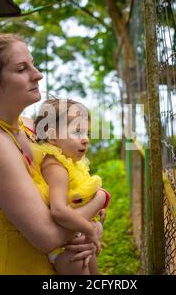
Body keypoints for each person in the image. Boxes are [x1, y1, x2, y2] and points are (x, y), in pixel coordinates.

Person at [0, 34, 106, 274]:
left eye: (32, 64)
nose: (38, 74)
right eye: (22, 69)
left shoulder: (29, 126)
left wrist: (94, 227)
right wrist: (98, 201)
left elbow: (69, 194)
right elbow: (47, 237)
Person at [31, 98, 111, 275]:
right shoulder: (56, 167)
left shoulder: (69, 163)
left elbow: (73, 196)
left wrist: (91, 208)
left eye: (86, 133)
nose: (85, 139)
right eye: (77, 132)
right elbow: (58, 210)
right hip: (66, 248)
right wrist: (90, 229)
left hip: (76, 237)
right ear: (52, 136)